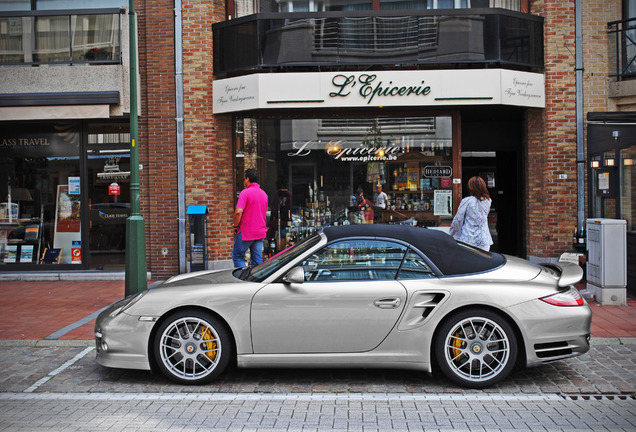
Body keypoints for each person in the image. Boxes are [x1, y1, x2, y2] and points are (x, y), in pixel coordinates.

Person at [232, 168, 269, 267]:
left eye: (244, 179)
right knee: (257, 260)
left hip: (246, 232)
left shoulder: (245, 193)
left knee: (238, 256)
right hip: (260, 232)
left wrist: (235, 226)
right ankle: (259, 280)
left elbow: (238, 212)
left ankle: (243, 280)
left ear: (248, 179)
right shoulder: (264, 194)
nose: (244, 181)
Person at [449, 176, 493, 251]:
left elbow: (458, 220)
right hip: (484, 239)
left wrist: (451, 234)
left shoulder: (466, 201)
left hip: (468, 239)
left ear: (471, 187)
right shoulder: (488, 201)